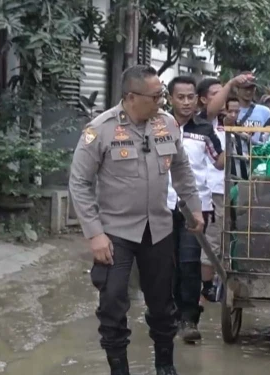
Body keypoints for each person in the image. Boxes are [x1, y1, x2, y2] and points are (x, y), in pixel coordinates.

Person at [69, 65, 204, 375]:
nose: (161, 101)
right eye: (155, 96)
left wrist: (193, 206)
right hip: (115, 232)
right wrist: (94, 234)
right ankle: (119, 369)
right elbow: (79, 183)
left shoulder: (166, 124)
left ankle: (165, 365)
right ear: (131, 97)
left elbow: (181, 168)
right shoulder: (100, 129)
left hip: (158, 228)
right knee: (113, 304)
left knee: (161, 304)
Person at [166, 75, 224, 343]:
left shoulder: (204, 129)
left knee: (190, 263)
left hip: (195, 207)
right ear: (170, 99)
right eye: (181, 97)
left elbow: (219, 161)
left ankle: (189, 319)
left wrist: (234, 137)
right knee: (166, 264)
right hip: (161, 206)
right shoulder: (158, 126)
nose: (187, 102)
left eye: (191, 97)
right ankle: (169, 314)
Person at [195, 75, 250, 302]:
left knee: (232, 237)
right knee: (214, 239)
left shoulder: (231, 129)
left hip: (233, 188)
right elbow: (218, 161)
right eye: (217, 96)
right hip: (213, 190)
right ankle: (206, 285)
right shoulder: (204, 126)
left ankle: (219, 280)